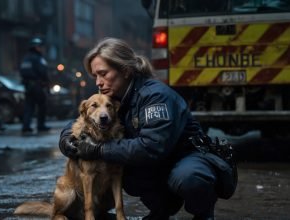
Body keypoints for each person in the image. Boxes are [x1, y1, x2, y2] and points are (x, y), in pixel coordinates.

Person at [59, 38, 237, 220]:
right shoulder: (115, 98)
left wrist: (100, 149)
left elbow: (151, 147)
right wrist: (66, 139)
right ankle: (162, 210)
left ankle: (203, 213)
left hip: (187, 157)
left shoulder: (155, 96)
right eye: (95, 76)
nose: (98, 82)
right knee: (126, 173)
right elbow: (83, 120)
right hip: (160, 164)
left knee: (190, 178)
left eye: (103, 74)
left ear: (126, 70)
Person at [20, 37, 51, 134]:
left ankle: (26, 126)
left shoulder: (25, 58)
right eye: (40, 46)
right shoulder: (38, 58)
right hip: (37, 85)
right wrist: (46, 82)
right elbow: (43, 72)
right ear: (36, 47)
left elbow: (22, 72)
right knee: (42, 105)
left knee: (29, 106)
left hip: (28, 86)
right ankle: (40, 126)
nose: (41, 48)